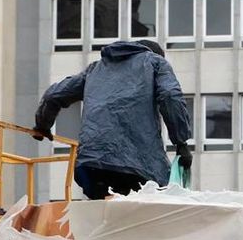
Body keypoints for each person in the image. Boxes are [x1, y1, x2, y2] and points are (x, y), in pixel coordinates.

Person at [33, 38, 192, 200]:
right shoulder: (155, 62)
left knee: (104, 214)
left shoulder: (95, 69)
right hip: (138, 166)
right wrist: (181, 142)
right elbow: (170, 96)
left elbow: (53, 95)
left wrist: (42, 126)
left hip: (91, 165)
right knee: (148, 212)